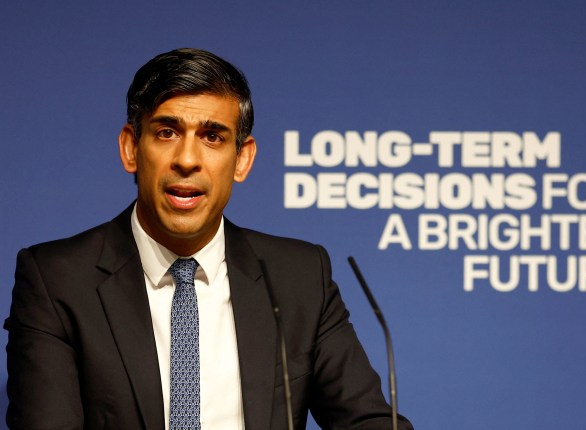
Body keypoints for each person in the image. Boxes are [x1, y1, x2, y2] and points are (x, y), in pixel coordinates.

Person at [5, 48, 413, 429]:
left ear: (242, 159)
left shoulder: (299, 277)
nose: (187, 159)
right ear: (131, 148)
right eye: (166, 132)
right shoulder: (56, 280)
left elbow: (368, 421)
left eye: (213, 136)